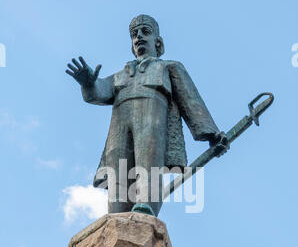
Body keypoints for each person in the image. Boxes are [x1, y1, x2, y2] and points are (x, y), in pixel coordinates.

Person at [66, 14, 228, 216]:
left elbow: (191, 101)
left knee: (148, 160)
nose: (139, 36)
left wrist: (211, 134)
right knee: (118, 166)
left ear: (157, 42)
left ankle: (146, 205)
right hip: (120, 120)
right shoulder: (122, 74)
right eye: (134, 34)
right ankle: (116, 214)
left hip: (152, 115)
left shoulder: (168, 67)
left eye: (145, 32)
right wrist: (88, 83)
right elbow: (100, 91)